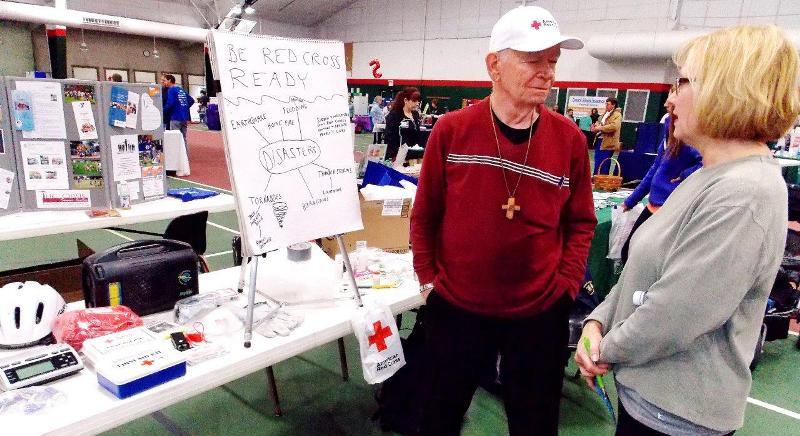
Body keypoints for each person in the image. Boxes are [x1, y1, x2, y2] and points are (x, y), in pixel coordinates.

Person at [576, 24, 799, 436]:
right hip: (648, 398)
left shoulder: (743, 194)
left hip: (676, 416)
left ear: (725, 91)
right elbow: (641, 272)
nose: (670, 99)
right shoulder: (708, 175)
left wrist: (604, 348)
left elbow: (674, 314)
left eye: (681, 83)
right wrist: (598, 321)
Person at [411, 6, 596, 435]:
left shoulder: (569, 139)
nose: (547, 72)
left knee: (535, 425)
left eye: (553, 61)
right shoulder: (452, 131)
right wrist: (427, 280)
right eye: (533, 60)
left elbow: (581, 222)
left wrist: (566, 288)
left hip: (539, 314)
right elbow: (425, 213)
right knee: (437, 419)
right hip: (456, 308)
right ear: (494, 65)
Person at [619, 88, 703, 264]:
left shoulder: (690, 137)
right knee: (628, 252)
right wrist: (631, 201)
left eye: (673, 96)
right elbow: (654, 171)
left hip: (669, 209)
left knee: (645, 259)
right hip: (652, 205)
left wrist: (684, 175)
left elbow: (707, 162)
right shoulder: (669, 133)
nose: (666, 103)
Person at [384, 87, 421, 162]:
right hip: (397, 156)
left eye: (418, 101)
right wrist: (393, 156)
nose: (417, 103)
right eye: (414, 101)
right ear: (405, 100)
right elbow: (389, 138)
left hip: (413, 155)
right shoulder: (394, 115)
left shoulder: (415, 114)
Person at [161, 74, 195, 154]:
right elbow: (191, 100)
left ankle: (176, 156)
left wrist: (162, 110)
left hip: (175, 117)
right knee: (183, 138)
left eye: (165, 80)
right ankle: (185, 156)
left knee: (175, 138)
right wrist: (184, 108)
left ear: (169, 80)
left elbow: (170, 103)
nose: (164, 82)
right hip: (184, 118)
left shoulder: (171, 90)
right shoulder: (180, 89)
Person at [591, 97, 622, 173]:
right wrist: (594, 128)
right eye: (606, 104)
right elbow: (599, 124)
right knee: (598, 162)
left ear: (613, 105)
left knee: (604, 163)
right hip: (599, 141)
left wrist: (600, 128)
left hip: (608, 142)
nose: (606, 106)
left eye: (608, 104)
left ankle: (602, 179)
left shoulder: (617, 115)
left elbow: (614, 126)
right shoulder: (603, 114)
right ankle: (596, 178)